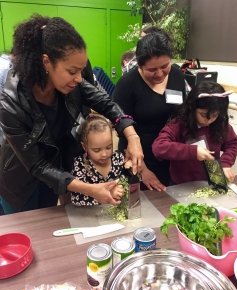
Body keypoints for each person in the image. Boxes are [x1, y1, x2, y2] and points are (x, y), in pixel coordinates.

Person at [0, 14, 143, 214]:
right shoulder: (10, 104)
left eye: (81, 71)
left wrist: (132, 135)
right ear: (46, 62)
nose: (79, 79)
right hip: (20, 184)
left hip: (56, 175)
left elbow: (107, 103)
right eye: (72, 71)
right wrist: (92, 190)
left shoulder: (71, 84)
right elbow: (37, 165)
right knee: (28, 232)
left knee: (49, 231)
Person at [113, 30, 186, 191]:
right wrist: (143, 171)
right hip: (138, 159)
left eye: (164, 66)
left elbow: (182, 113)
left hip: (169, 155)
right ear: (139, 65)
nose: (159, 73)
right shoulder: (127, 85)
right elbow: (123, 131)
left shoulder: (176, 75)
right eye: (152, 70)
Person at [152, 81, 237, 184]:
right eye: (203, 115)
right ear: (191, 107)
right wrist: (193, 151)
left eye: (215, 115)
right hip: (182, 183)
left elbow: (233, 144)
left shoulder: (220, 122)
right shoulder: (179, 123)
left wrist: (225, 163)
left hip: (212, 180)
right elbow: (159, 147)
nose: (208, 120)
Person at [71, 114, 125, 206]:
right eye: (97, 150)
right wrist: (108, 196)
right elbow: (77, 199)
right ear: (85, 146)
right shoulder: (80, 165)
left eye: (108, 147)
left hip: (113, 216)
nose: (104, 154)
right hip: (87, 216)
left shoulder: (118, 159)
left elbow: (127, 184)